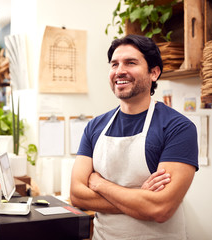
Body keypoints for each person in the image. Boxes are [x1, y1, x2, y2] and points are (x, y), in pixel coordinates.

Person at [70, 34, 199, 240]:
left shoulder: (178, 127)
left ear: (154, 73)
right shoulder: (95, 126)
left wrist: (99, 185)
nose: (120, 71)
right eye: (114, 64)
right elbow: (76, 195)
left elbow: (160, 209)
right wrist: (141, 199)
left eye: (130, 63)